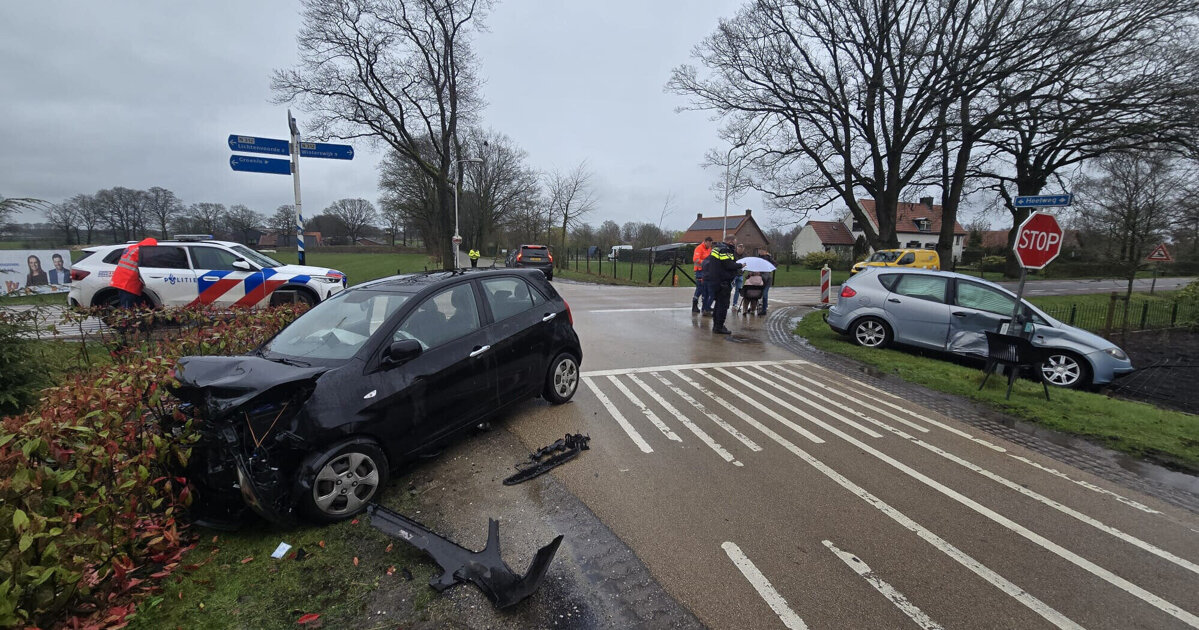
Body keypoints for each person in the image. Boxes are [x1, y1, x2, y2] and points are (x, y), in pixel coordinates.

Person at [702, 242, 742, 334]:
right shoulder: (725, 250)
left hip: (715, 281)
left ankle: (717, 325)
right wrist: (740, 266)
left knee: (718, 305)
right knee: (723, 305)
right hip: (723, 283)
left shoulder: (716, 250)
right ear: (732, 241)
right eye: (735, 242)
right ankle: (719, 327)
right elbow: (728, 265)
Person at [110, 237, 157, 308]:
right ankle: (125, 318)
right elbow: (150, 262)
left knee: (133, 304)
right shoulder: (142, 252)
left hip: (120, 279)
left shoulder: (131, 247)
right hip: (128, 282)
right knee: (127, 307)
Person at [691, 236, 713, 314]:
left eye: (711, 244)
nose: (710, 245)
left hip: (706, 271)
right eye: (709, 243)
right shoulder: (699, 248)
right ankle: (695, 304)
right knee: (700, 288)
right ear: (705, 242)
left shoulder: (709, 249)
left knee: (706, 289)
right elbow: (696, 260)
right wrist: (706, 263)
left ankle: (705, 306)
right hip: (699, 271)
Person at [756, 248, 776, 316]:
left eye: (762, 250)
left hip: (767, 278)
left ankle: (764, 309)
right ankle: (759, 307)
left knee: (764, 294)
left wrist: (769, 269)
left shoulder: (768, 257)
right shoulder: (758, 258)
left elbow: (775, 264)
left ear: (765, 251)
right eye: (759, 250)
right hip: (760, 278)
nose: (760, 251)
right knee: (760, 293)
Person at [731, 243, 746, 310]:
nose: (740, 250)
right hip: (733, 274)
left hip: (740, 275)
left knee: (738, 290)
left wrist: (743, 270)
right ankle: (726, 303)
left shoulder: (744, 256)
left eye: (742, 249)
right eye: (739, 249)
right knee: (729, 289)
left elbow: (746, 264)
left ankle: (734, 304)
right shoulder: (733, 254)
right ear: (737, 248)